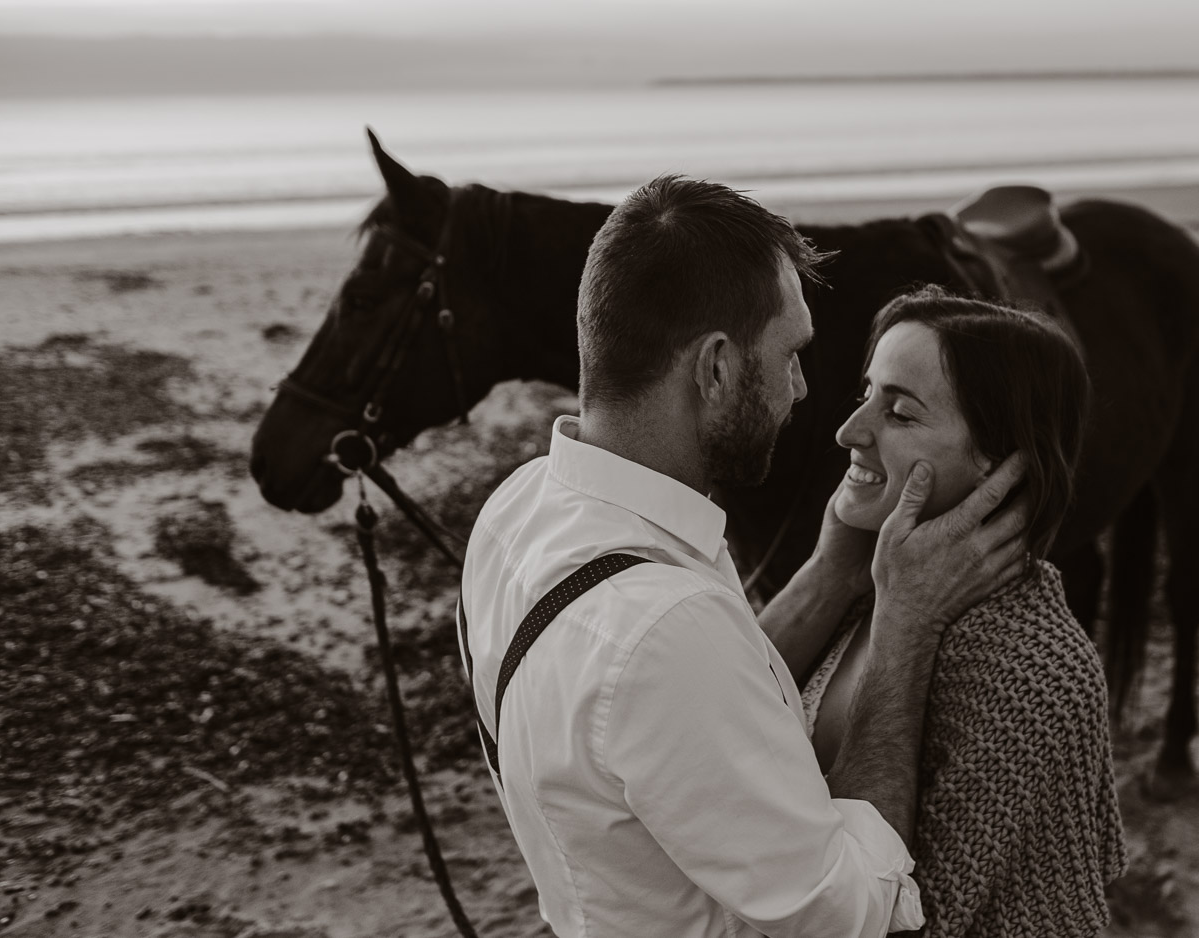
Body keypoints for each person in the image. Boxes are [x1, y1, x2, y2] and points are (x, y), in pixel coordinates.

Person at [459, 176, 1033, 938]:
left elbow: (701, 705)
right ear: (718, 367)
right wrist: (906, 621)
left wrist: (832, 569)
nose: (802, 391)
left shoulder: (516, 513)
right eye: (791, 354)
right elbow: (853, 911)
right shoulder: (663, 630)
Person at [799, 285, 1127, 937]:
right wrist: (828, 573)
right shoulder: (870, 588)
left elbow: (911, 923)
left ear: (994, 463)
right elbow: (719, 711)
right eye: (867, 394)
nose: (849, 431)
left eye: (900, 413)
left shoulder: (1028, 671)